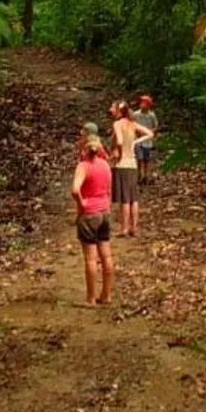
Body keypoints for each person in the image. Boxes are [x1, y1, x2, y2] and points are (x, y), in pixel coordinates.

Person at [71, 125, 115, 306]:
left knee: (90, 258)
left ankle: (91, 298)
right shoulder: (106, 165)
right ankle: (106, 294)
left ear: (85, 149)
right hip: (104, 212)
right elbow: (109, 191)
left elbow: (75, 189)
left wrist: (82, 204)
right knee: (107, 256)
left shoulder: (83, 166)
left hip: (89, 214)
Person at [109, 99, 154, 239]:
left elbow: (120, 141)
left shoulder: (117, 124)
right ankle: (133, 227)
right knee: (133, 198)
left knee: (124, 199)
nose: (110, 109)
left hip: (122, 164)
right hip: (133, 164)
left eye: (112, 107)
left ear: (118, 110)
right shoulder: (132, 124)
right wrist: (135, 142)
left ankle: (124, 228)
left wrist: (119, 154)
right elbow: (150, 133)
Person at [135, 92, 159, 183]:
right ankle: (139, 175)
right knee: (139, 158)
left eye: (144, 103)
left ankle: (145, 175)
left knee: (146, 159)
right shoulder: (136, 114)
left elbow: (155, 126)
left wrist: (151, 132)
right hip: (138, 140)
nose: (142, 105)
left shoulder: (151, 115)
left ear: (148, 105)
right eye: (141, 103)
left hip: (148, 141)